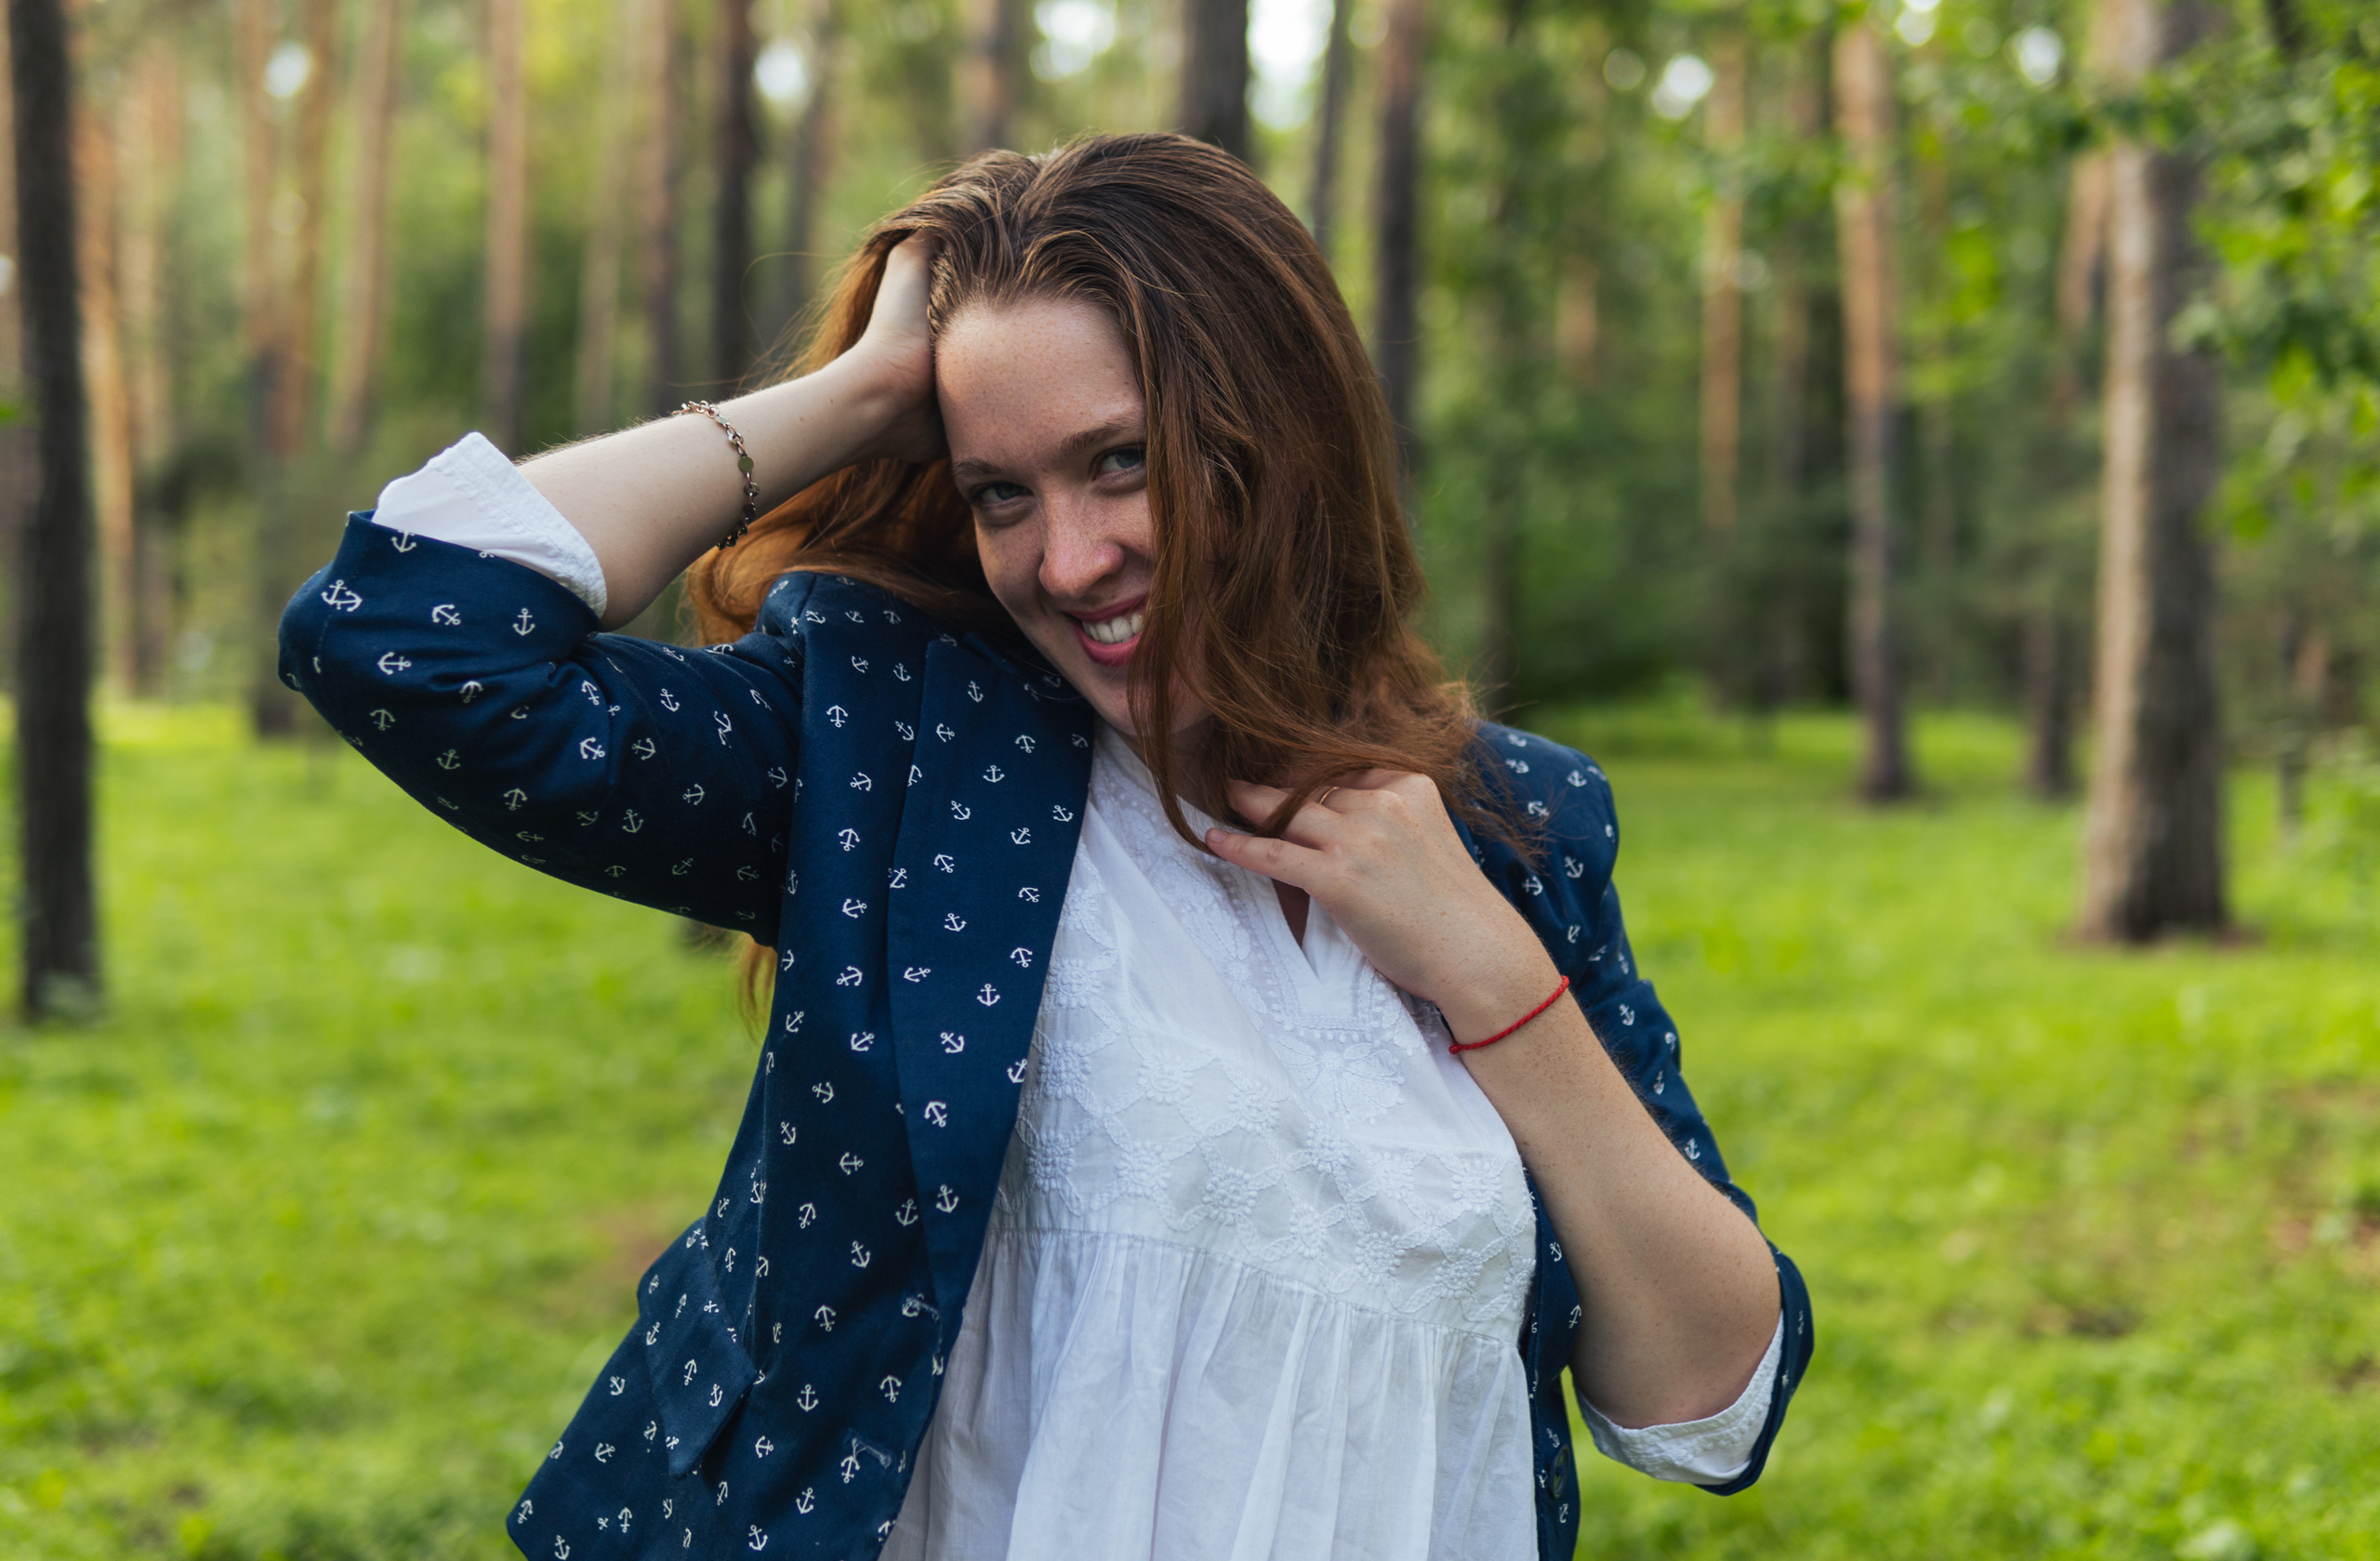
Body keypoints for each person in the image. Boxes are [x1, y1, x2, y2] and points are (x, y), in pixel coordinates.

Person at [282, 132, 1811, 1561]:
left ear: (1286, 441)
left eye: (1123, 461)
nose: (1067, 562)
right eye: (999, 492)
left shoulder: (1514, 828)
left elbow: (1710, 1404)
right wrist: (865, 396)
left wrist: (1491, 973)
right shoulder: (898, 743)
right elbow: (404, 630)